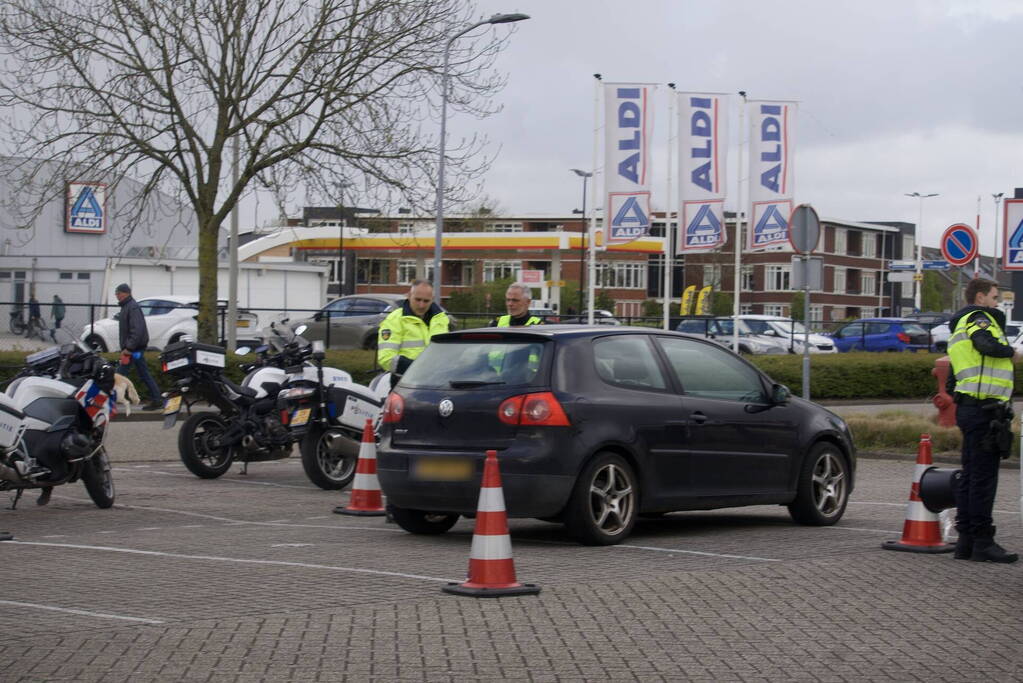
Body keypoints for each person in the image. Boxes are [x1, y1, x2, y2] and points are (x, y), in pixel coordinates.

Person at [947, 277, 1020, 563]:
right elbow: (986, 344)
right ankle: (982, 541)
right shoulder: (980, 319)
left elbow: (952, 378)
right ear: (980, 297)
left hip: (971, 408)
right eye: (994, 297)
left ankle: (965, 540)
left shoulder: (959, 327)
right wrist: (1012, 353)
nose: (996, 302)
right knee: (983, 479)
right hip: (984, 411)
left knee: (971, 475)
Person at [377, 280, 450, 388]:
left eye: (426, 301)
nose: (421, 305)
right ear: (409, 296)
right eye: (418, 299)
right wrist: (419, 369)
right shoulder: (395, 320)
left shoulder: (440, 319)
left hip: (436, 383)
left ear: (432, 299)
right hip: (405, 384)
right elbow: (386, 358)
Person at [114, 283, 163, 411]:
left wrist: (128, 348)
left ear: (126, 293)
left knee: (120, 375)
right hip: (134, 349)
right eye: (116, 294)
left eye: (118, 293)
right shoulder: (128, 306)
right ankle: (157, 399)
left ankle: (109, 401)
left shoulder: (132, 307)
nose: (117, 296)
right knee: (140, 373)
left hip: (133, 350)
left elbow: (137, 330)